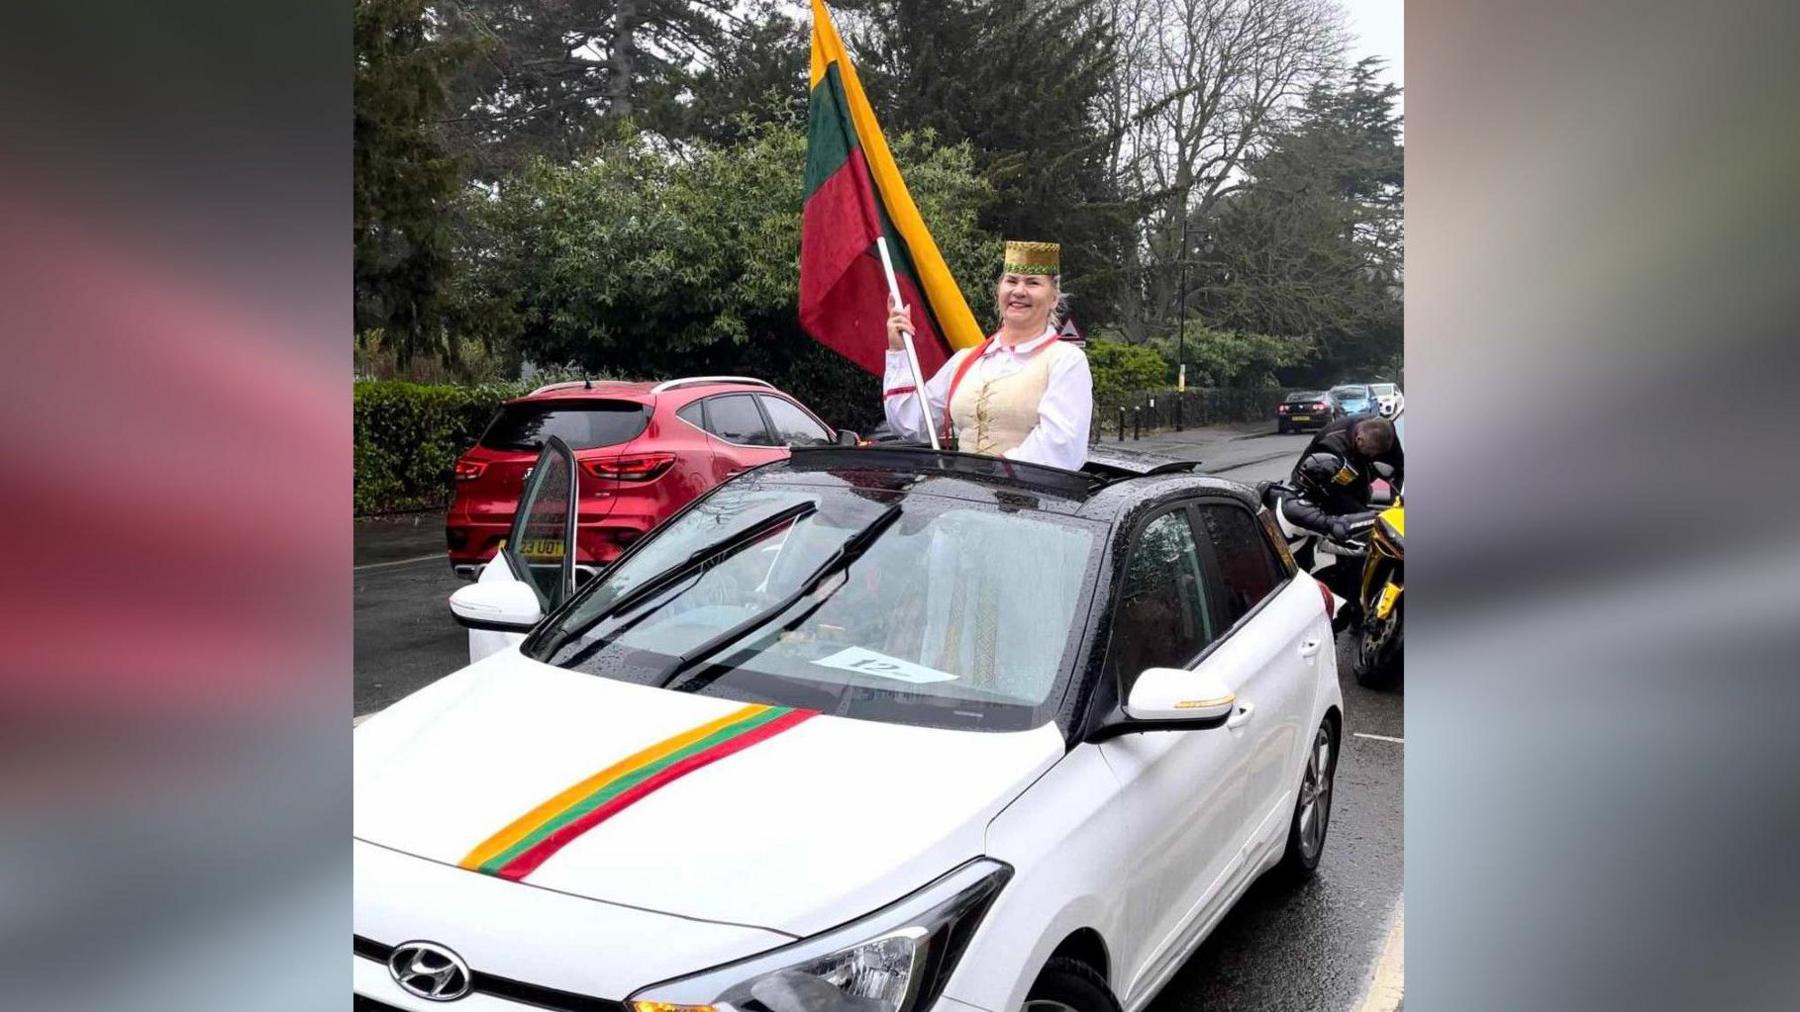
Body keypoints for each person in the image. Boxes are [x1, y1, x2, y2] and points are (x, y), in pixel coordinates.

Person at [880, 240, 1092, 470]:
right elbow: (911, 423)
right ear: (999, 290)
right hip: (966, 499)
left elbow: (1061, 447)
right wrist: (898, 351)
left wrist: (991, 475)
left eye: (1032, 283)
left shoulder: (1065, 360)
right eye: (1011, 281)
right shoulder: (966, 361)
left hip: (1031, 502)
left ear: (1053, 298)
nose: (1019, 291)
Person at [1280, 413, 1404, 541]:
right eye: (1371, 451)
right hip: (1318, 483)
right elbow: (1340, 496)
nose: (1373, 456)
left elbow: (1399, 467)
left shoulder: (1385, 432)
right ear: (1359, 439)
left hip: (1354, 471)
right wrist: (1365, 519)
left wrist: (1397, 503)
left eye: (1379, 453)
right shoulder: (1333, 446)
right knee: (1342, 529)